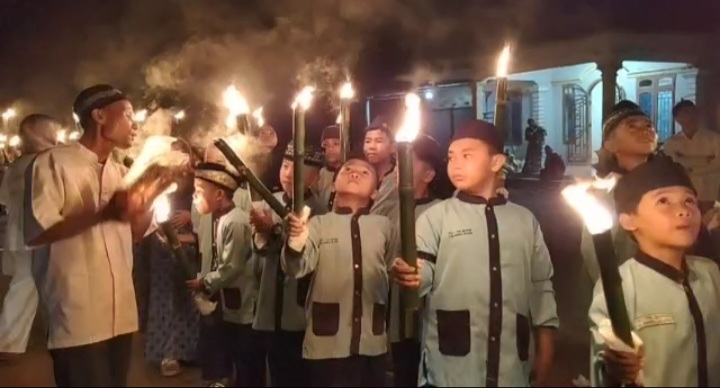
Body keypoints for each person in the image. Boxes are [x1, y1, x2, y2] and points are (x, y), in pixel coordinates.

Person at [392, 120, 559, 387]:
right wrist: (412, 276)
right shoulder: (437, 217)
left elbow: (540, 285)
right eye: (450, 157)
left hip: (510, 367)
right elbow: (423, 270)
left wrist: (546, 346)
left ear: (496, 162)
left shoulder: (524, 220)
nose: (455, 164)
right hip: (450, 368)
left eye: (467, 155)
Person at [24, 84, 154, 387]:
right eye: (128, 115)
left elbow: (136, 232)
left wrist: (150, 194)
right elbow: (40, 231)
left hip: (120, 312)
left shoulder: (123, 171)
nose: (135, 125)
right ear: (98, 115)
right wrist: (103, 214)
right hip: (78, 313)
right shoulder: (52, 163)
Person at [590, 157, 720, 386]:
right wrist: (615, 367)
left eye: (690, 201)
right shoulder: (621, 285)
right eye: (663, 201)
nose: (683, 210)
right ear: (629, 221)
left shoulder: (710, 274)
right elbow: (603, 360)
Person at [283, 156, 398, 387]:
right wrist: (295, 242)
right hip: (327, 343)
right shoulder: (318, 224)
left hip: (371, 340)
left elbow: (390, 269)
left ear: (375, 191)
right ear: (334, 184)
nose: (355, 173)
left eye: (365, 172)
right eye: (348, 170)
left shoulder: (384, 226)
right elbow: (297, 268)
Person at [251, 144, 327, 387]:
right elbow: (259, 247)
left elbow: (306, 251)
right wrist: (262, 232)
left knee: (299, 368)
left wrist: (273, 230)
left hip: (299, 304)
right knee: (275, 363)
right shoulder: (270, 200)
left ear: (314, 177)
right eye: (285, 166)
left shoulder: (319, 209)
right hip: (270, 298)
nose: (287, 173)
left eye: (297, 169)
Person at [191, 162, 263, 387]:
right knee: (226, 349)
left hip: (242, 306)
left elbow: (232, 267)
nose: (195, 197)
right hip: (227, 303)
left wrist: (205, 282)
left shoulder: (237, 222)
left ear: (220, 194)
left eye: (200, 192)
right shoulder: (217, 218)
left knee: (244, 357)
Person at [0, 114, 60, 362]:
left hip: (18, 235)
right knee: (26, 286)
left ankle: (55, 336)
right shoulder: (45, 163)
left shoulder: (16, 165)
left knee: (47, 286)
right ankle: (7, 342)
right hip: (36, 237)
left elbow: (3, 200)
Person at [388, 134, 444, 387]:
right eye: (398, 164)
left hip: (427, 316)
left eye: (408, 163)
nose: (399, 170)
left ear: (429, 175)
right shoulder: (389, 208)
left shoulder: (442, 211)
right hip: (395, 312)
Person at [144, 139, 200, 377]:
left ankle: (188, 351)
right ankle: (167, 352)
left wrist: (192, 216)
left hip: (192, 245)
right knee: (165, 298)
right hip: (163, 247)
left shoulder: (197, 178)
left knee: (189, 298)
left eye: (182, 154)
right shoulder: (158, 179)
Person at [665, 99, 720, 206]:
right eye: (686, 112)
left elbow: (718, 164)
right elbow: (674, 165)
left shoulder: (714, 139)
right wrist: (705, 160)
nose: (691, 115)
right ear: (677, 118)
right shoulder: (671, 143)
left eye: (693, 111)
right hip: (684, 193)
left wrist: (688, 163)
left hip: (711, 192)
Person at [364, 116, 398, 220]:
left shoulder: (396, 179)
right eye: (368, 141)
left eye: (378, 141)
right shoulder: (364, 176)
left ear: (393, 147)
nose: (371, 146)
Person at [316, 124, 342, 208]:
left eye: (336, 144)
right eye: (325, 145)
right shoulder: (319, 174)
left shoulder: (349, 172)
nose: (330, 148)